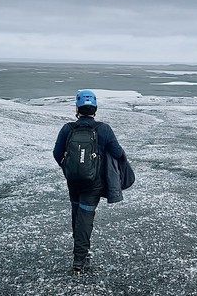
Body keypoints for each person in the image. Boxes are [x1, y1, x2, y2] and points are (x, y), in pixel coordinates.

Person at [53, 90, 128, 273]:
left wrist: (69, 169)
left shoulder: (67, 128)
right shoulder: (104, 129)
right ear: (95, 108)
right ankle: (79, 259)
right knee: (85, 217)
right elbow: (118, 153)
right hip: (93, 184)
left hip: (74, 182)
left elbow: (57, 153)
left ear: (77, 109)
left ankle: (80, 250)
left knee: (77, 214)